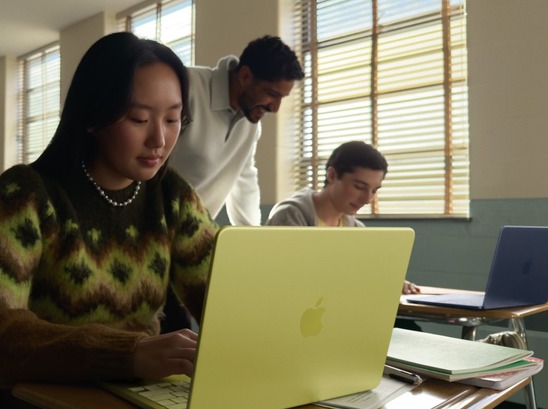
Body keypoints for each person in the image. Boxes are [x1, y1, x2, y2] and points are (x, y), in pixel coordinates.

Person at [0, 32, 218, 409]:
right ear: (92, 116)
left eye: (174, 119)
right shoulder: (26, 194)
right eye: (139, 119)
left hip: (137, 400)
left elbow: (223, 297)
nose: (159, 139)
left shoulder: (172, 196)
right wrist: (126, 355)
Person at [170, 35, 305, 226]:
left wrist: (253, 239)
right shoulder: (187, 86)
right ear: (245, 76)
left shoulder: (250, 124)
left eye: (282, 98)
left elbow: (244, 180)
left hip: (191, 236)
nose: (275, 108)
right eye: (272, 94)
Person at [265, 141, 420, 296]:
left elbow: (365, 274)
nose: (367, 199)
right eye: (359, 187)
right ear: (332, 175)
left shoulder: (356, 229)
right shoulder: (290, 216)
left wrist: (391, 281)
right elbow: (290, 282)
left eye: (374, 190)